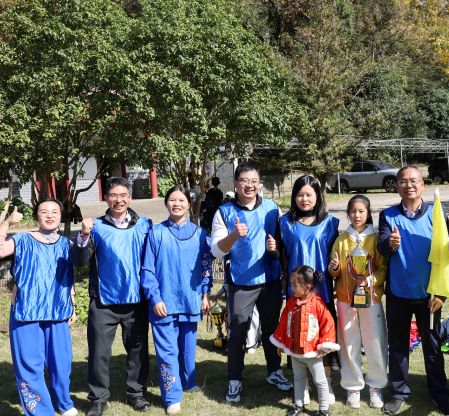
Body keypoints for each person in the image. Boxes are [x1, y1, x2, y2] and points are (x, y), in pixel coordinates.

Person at [377, 165, 449, 416]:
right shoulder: (388, 215)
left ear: (422, 185)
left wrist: (441, 293)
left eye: (414, 181)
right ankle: (398, 393)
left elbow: (447, 255)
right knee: (398, 346)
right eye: (403, 181)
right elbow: (381, 247)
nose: (409, 185)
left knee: (432, 347)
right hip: (398, 294)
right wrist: (389, 244)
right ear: (396, 186)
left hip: (429, 296)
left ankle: (439, 395)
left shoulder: (437, 213)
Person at [210, 161, 292, 404]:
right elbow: (216, 250)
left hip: (270, 280)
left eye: (254, 181)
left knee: (272, 330)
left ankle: (274, 371)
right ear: (236, 183)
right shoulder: (224, 211)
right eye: (245, 181)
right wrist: (234, 235)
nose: (250, 185)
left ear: (259, 183)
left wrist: (275, 248)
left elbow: (281, 242)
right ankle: (234, 378)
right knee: (238, 332)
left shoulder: (271, 208)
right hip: (241, 282)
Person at [75, 177, 152, 416]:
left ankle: (136, 393)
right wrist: (83, 235)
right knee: (99, 353)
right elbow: (80, 261)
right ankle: (98, 398)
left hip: (136, 300)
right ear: (106, 198)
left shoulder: (145, 225)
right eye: (114, 195)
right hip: (103, 301)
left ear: (130, 197)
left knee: (138, 350)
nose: (119, 200)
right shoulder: (95, 226)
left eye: (123, 195)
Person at [140, 185, 212, 414]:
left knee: (188, 349)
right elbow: (147, 270)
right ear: (166, 203)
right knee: (167, 351)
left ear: (189, 204)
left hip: (191, 300)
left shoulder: (200, 234)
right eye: (172, 200)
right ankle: (171, 395)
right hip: (164, 304)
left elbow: (205, 266)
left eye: (181, 200)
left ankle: (188, 382)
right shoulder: (156, 233)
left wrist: (205, 294)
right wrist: (155, 298)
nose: (177, 204)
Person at [1, 201, 78, 416]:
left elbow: (68, 278)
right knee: (29, 364)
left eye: (55, 212)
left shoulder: (66, 243)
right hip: (27, 311)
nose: (50, 215)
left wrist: (73, 305)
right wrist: (7, 224)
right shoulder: (22, 239)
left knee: (61, 363)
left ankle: (63, 402)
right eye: (44, 212)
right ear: (36, 216)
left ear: (61, 216)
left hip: (58, 310)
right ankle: (41, 411)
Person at [268, 174, 339, 402]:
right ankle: (303, 386)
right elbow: (280, 256)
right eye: (300, 194)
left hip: (321, 292)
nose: (304, 199)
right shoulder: (285, 223)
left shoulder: (330, 222)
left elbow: (334, 256)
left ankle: (326, 384)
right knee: (297, 337)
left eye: (309, 194)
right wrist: (273, 250)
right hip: (296, 294)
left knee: (321, 339)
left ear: (318, 195)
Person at [328, 194, 388, 409]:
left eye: (361, 211)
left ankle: (376, 386)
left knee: (375, 342)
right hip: (346, 300)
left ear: (368, 213)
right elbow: (334, 270)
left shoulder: (376, 239)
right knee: (349, 344)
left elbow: (383, 269)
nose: (357, 215)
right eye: (353, 211)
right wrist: (334, 269)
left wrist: (370, 280)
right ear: (348, 214)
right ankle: (352, 386)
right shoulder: (342, 239)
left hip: (371, 299)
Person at [270, 265, 340, 416]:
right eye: (291, 284)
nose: (292, 288)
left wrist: (324, 346)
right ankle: (298, 405)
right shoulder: (290, 303)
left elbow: (328, 324)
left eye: (295, 285)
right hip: (295, 352)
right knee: (299, 379)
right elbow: (284, 322)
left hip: (313, 353)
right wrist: (281, 343)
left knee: (320, 381)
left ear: (307, 287)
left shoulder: (318, 305)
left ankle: (324, 410)